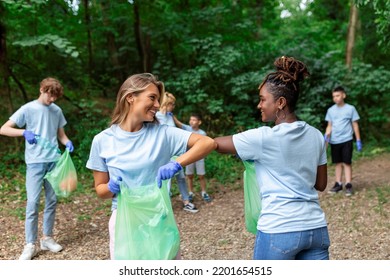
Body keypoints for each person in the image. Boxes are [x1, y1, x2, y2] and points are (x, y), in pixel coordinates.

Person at [86, 73, 216, 259]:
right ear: (130, 97)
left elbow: (207, 142)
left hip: (159, 219)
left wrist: (176, 163)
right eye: (152, 98)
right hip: (124, 222)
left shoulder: (163, 134)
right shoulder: (102, 141)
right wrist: (110, 187)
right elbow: (100, 191)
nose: (157, 105)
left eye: (158, 99)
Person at [214, 56, 330, 260]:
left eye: (262, 99)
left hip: (279, 229)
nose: (259, 105)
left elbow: (214, 144)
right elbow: (320, 184)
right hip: (316, 229)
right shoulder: (316, 135)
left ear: (280, 103)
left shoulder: (263, 138)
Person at [0, 77, 74, 260]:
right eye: (50, 95)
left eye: (56, 97)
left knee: (51, 200)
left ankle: (47, 238)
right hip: (35, 162)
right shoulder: (28, 109)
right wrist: (23, 132)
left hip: (54, 161)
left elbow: (61, 135)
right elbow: (4, 129)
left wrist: (67, 142)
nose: (53, 100)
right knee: (33, 203)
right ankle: (30, 244)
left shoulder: (56, 110)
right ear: (42, 89)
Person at [155, 92, 199, 213]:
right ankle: (164, 204)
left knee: (180, 177)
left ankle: (186, 202)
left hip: (175, 151)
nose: (173, 106)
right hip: (163, 153)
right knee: (165, 178)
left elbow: (182, 128)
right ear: (167, 103)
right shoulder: (157, 116)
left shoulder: (170, 116)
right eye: (172, 104)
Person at [324, 86, 362, 196]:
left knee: (347, 162)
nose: (335, 98)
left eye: (338, 95)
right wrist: (326, 137)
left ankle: (348, 184)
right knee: (337, 163)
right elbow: (329, 126)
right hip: (335, 141)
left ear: (343, 95)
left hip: (347, 140)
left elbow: (355, 125)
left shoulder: (350, 109)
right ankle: (338, 184)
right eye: (334, 96)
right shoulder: (330, 110)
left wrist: (358, 140)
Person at [173, 113, 212, 202]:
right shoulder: (187, 129)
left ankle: (204, 192)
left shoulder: (202, 133)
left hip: (199, 158)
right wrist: (171, 115)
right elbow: (177, 122)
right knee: (189, 175)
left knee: (201, 175)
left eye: (194, 120)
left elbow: (205, 146)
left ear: (199, 122)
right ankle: (190, 192)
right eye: (191, 120)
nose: (191, 122)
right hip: (189, 157)